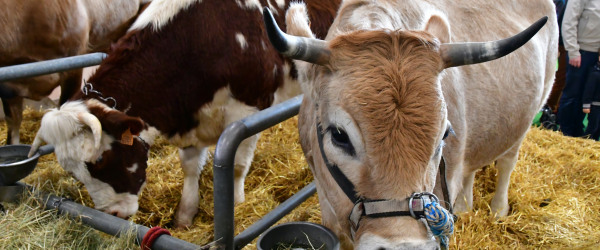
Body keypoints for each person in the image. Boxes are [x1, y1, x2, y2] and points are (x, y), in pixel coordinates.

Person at [557, 0, 600, 137]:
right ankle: (566, 131)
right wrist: (573, 51)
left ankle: (579, 131)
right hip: (581, 52)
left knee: (589, 96)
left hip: (597, 54)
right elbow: (569, 22)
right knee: (573, 93)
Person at [545, 0, 568, 113]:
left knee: (561, 78)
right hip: (560, 43)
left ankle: (552, 108)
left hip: (562, 43)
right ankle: (548, 107)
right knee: (559, 78)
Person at [582, 52, 600, 140]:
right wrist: (586, 105)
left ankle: (595, 142)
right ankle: (587, 141)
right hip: (595, 106)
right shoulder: (595, 74)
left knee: (598, 129)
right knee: (592, 127)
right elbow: (588, 91)